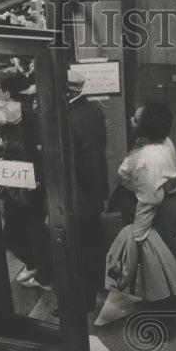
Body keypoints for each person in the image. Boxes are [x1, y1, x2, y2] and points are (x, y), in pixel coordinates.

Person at [104, 101, 176, 308]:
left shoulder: (148, 157)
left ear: (146, 127)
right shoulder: (159, 141)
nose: (131, 120)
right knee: (161, 256)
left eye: (136, 119)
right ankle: (158, 299)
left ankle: (166, 308)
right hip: (165, 200)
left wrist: (139, 232)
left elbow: (151, 199)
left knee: (157, 259)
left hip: (156, 207)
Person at [0, 68, 54, 292]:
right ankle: (38, 266)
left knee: (24, 229)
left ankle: (45, 273)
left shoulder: (11, 111)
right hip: (23, 178)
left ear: (7, 92)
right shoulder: (25, 107)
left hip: (22, 180)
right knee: (27, 227)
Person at [67, 70, 111, 311]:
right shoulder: (93, 109)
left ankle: (86, 299)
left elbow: (81, 162)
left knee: (83, 247)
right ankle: (101, 283)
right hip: (92, 189)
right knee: (95, 239)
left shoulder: (71, 118)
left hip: (80, 193)